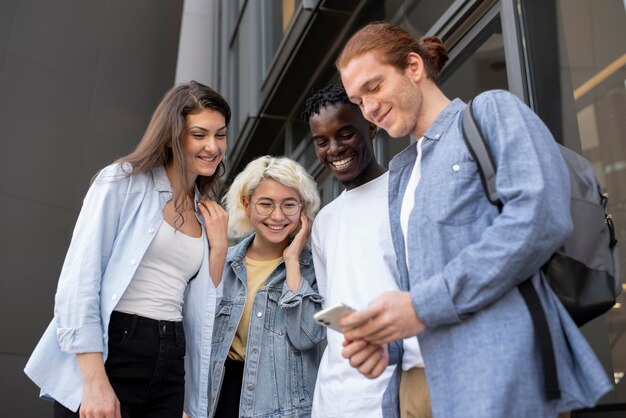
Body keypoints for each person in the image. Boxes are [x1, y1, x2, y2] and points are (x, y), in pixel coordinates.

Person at [335, 22, 613, 418]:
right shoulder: (401, 173)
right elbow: (420, 282)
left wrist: (419, 307)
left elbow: (538, 220)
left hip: (497, 372)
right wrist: (387, 340)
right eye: (358, 100)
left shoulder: (491, 112)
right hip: (417, 383)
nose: (369, 109)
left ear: (413, 67)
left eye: (374, 87)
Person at [24, 81, 230, 418]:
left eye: (220, 135)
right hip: (115, 349)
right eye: (199, 134)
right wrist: (93, 381)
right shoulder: (122, 183)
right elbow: (78, 281)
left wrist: (218, 249)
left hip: (171, 359)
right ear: (173, 136)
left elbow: (202, 308)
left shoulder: (207, 213)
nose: (213, 146)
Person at [302, 84, 428, 418]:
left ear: (370, 127)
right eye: (321, 141)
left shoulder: (406, 193)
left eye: (345, 134)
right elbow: (334, 306)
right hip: (335, 396)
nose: (333, 149)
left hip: (396, 387)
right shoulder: (325, 220)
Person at [207, 155, 324, 418]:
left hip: (281, 407)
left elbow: (306, 337)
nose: (277, 216)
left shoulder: (312, 267)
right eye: (266, 204)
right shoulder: (223, 263)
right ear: (247, 205)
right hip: (220, 399)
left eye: (289, 205)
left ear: (303, 209)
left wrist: (292, 260)